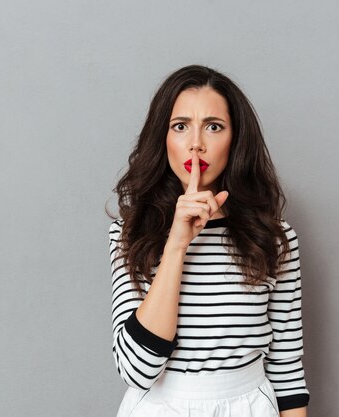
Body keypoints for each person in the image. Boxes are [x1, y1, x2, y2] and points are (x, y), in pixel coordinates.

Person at [107, 64, 309, 417]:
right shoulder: (130, 234)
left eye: (213, 127)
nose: (196, 144)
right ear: (163, 138)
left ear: (235, 140)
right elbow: (138, 369)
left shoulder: (274, 238)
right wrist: (177, 244)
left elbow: (288, 371)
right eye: (180, 126)